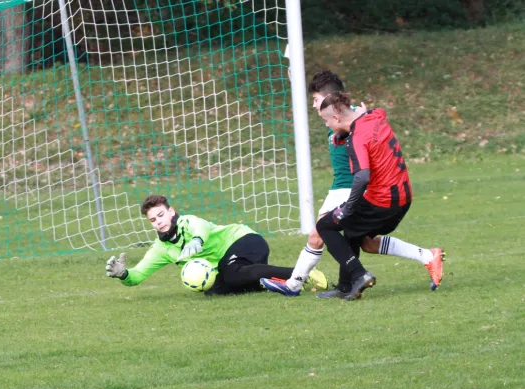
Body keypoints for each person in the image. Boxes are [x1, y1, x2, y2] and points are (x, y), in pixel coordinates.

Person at [261, 71, 443, 298]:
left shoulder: (350, 117)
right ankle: (424, 257)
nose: (315, 107)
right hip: (346, 186)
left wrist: (349, 204)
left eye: (316, 100)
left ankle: (294, 285)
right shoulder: (347, 116)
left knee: (320, 232)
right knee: (363, 242)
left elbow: (363, 160)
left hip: (350, 188)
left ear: (331, 101)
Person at [313, 92, 444, 300]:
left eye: (326, 120)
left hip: (383, 201)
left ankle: (359, 275)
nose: (327, 125)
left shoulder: (356, 138)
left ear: (336, 118)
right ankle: (346, 287)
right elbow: (370, 118)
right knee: (354, 234)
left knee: (325, 225)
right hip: (402, 196)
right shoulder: (375, 116)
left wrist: (348, 207)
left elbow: (362, 176)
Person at [105, 194, 327, 295]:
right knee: (214, 290)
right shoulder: (161, 249)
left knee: (230, 274)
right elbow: (138, 276)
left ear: (171, 212)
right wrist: (123, 274)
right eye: (153, 220)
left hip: (244, 241)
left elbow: (201, 228)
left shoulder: (187, 222)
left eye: (161, 215)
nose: (159, 222)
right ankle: (269, 282)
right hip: (234, 264)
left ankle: (301, 274)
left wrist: (196, 240)